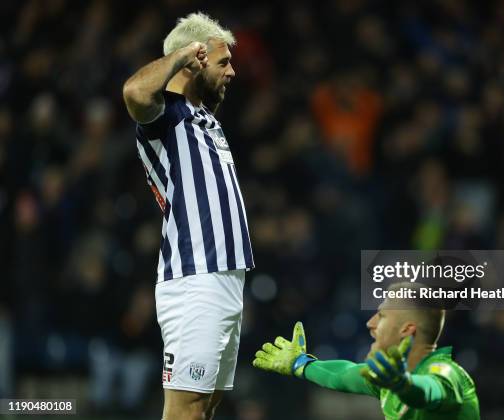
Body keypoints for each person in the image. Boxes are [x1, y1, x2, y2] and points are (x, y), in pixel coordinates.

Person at [122, 12, 254, 420]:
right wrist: (179, 55)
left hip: (225, 280)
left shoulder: (205, 120)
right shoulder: (168, 115)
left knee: (206, 407)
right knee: (186, 410)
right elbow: (133, 91)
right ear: (194, 61)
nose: (232, 71)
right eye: (223, 62)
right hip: (196, 277)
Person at [253, 282, 480, 419]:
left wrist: (404, 385)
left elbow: (430, 391)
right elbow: (343, 375)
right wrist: (300, 364)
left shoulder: (448, 374)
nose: (370, 323)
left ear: (407, 329)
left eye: (381, 316)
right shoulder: (387, 376)